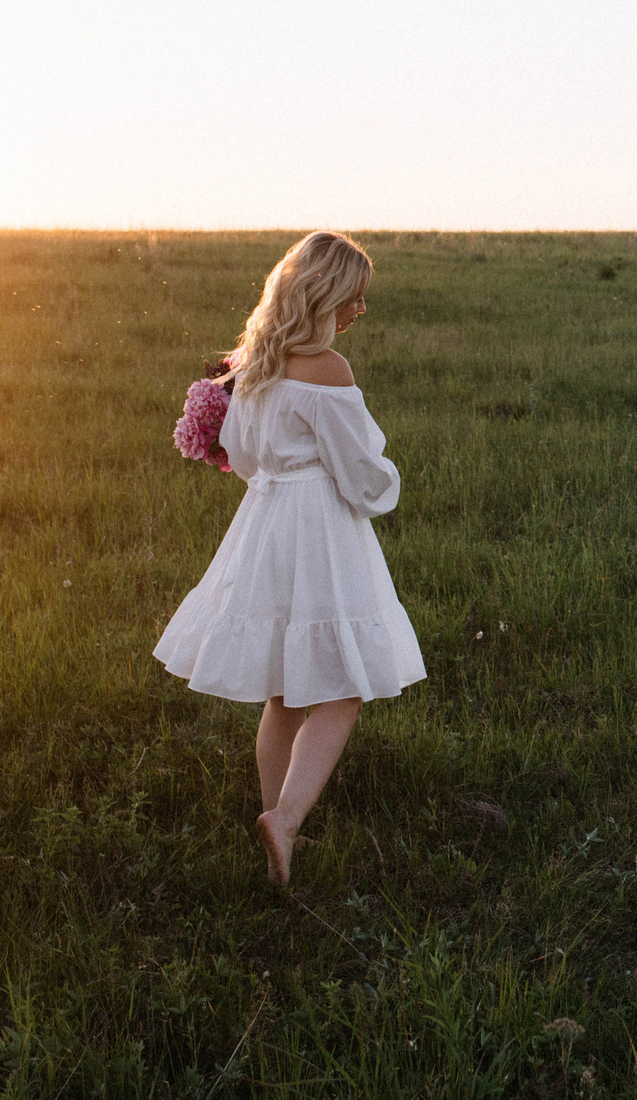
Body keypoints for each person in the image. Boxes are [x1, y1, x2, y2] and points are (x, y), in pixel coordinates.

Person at [154, 231, 426, 885]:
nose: (359, 310)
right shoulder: (326, 367)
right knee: (346, 684)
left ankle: (276, 825)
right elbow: (360, 474)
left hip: (263, 525)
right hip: (320, 529)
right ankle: (288, 818)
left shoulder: (253, 366)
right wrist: (387, 483)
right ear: (324, 294)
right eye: (353, 297)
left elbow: (243, 460)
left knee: (283, 691)